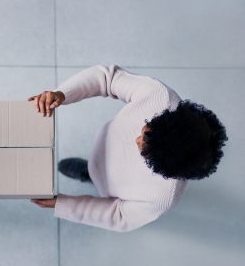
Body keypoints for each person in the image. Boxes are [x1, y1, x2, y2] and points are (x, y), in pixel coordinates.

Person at [30, 65, 227, 232]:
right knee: (95, 164)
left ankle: (88, 173)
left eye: (145, 150)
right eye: (146, 130)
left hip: (111, 185)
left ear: (163, 167)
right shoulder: (159, 97)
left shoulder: (161, 199)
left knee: (95, 175)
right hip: (104, 142)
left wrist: (64, 205)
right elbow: (108, 78)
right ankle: (90, 168)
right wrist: (62, 93)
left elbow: (118, 216)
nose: (137, 140)